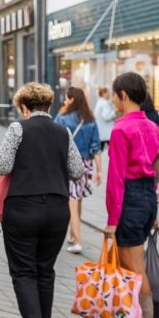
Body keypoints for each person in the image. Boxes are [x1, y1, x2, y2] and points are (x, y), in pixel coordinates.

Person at [0, 83, 85, 318]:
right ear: (49, 105)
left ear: (24, 106)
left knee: (23, 270)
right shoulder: (63, 131)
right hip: (57, 209)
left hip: (23, 207)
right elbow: (78, 170)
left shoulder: (17, 129)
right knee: (46, 270)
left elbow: (1, 165)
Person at [102, 72, 159, 318]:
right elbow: (155, 169)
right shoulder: (152, 127)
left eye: (115, 94)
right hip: (148, 197)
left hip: (131, 199)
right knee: (127, 266)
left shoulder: (121, 129)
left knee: (134, 268)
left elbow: (116, 179)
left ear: (123, 94)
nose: (114, 100)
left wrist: (113, 219)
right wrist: (155, 208)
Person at [54, 86, 102, 253]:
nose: (65, 101)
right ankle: (73, 235)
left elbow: (55, 141)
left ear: (72, 99)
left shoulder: (62, 118)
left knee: (72, 202)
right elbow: (96, 147)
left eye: (66, 98)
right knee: (78, 199)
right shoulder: (90, 120)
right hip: (86, 164)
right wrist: (100, 170)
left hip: (69, 163)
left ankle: (78, 241)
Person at [94, 86, 116, 151]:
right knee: (113, 151)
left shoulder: (99, 102)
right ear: (104, 93)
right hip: (107, 133)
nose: (109, 94)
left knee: (99, 151)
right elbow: (106, 116)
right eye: (108, 92)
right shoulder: (104, 103)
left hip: (102, 132)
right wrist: (114, 111)